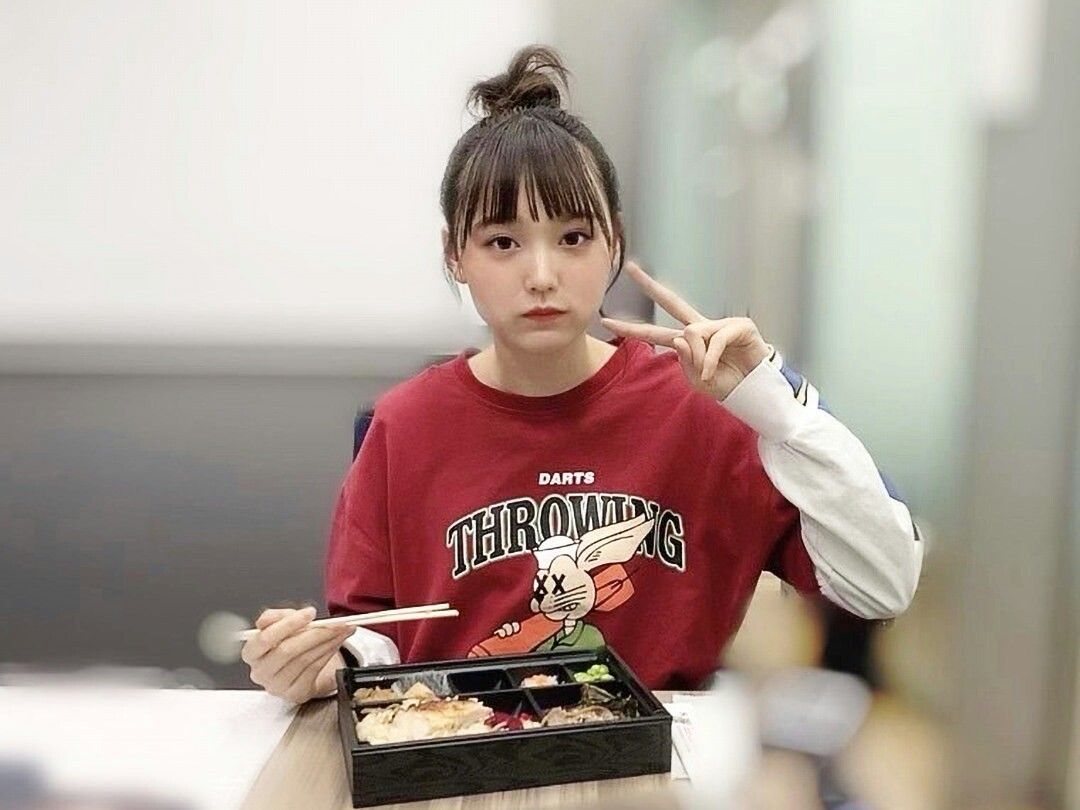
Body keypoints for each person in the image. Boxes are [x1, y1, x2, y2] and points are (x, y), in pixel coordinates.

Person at [241, 45, 923, 704]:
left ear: (614, 241)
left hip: (655, 759)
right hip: (453, 752)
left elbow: (881, 585)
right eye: (502, 242)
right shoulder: (405, 425)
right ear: (455, 255)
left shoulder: (706, 410)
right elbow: (373, 636)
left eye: (573, 238)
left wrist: (775, 403)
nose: (541, 276)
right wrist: (321, 661)